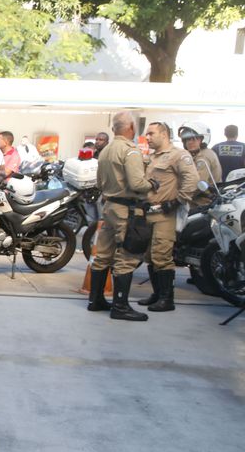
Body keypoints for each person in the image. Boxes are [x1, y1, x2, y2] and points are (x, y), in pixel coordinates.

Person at [88, 111, 154, 321]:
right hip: (127, 210)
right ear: (131, 128)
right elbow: (137, 183)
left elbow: (99, 183)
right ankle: (120, 306)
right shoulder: (130, 151)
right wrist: (152, 184)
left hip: (109, 208)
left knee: (103, 254)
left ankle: (95, 299)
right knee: (127, 256)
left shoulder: (106, 150)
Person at [137, 122, 199, 312]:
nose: (147, 137)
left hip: (166, 215)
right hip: (150, 213)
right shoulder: (154, 156)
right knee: (150, 256)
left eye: (151, 133)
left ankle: (167, 299)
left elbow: (192, 179)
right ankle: (157, 294)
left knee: (162, 255)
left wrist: (177, 201)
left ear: (164, 134)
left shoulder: (178, 155)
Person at [179, 122, 222, 188]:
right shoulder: (205, 152)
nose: (190, 142)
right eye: (187, 140)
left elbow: (198, 183)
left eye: (194, 139)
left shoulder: (202, 157)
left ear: (201, 140)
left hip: (204, 196)